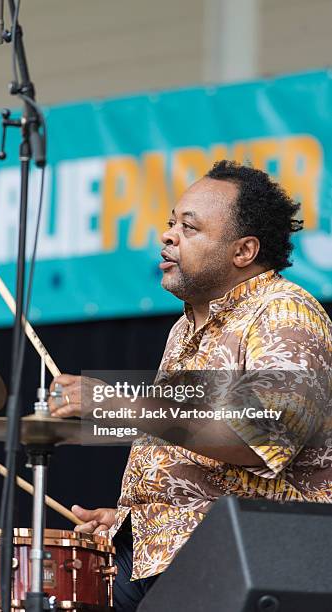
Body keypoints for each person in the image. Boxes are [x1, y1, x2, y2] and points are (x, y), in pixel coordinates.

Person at [49, 160, 332, 611]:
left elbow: (262, 434)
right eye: (170, 223)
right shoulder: (184, 329)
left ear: (243, 251)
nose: (168, 235)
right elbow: (189, 452)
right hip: (156, 558)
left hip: (249, 561)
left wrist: (119, 404)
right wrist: (133, 521)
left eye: (189, 227)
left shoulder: (285, 311)